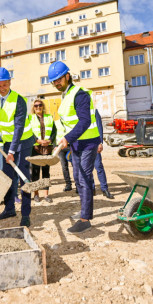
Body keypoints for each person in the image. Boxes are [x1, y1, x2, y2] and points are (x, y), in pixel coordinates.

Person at [48, 61, 101, 234]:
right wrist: (63, 140)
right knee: (78, 178)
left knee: (84, 178)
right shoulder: (66, 95)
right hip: (76, 143)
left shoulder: (80, 94)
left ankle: (85, 220)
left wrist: (68, 138)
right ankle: (84, 210)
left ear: (67, 76)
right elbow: (66, 123)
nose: (56, 83)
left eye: (59, 79)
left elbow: (85, 121)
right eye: (54, 81)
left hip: (88, 142)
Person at [0, 67, 35, 227]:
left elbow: (19, 127)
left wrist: (11, 151)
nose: (1, 89)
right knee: (7, 177)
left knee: (23, 178)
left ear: (9, 83)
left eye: (4, 85)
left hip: (23, 142)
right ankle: (9, 209)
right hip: (8, 142)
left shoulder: (19, 100)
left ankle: (26, 214)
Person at [29, 99, 56, 203]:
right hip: (35, 148)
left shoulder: (49, 117)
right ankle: (36, 194)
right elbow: (29, 132)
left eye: (40, 105)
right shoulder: (30, 118)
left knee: (46, 172)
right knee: (35, 172)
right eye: (36, 106)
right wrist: (37, 140)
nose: (38, 107)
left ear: (43, 106)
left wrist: (49, 140)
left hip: (47, 148)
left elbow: (54, 131)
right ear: (33, 108)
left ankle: (46, 195)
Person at [92, 109, 113, 199]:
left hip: (94, 143)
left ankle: (104, 189)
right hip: (83, 144)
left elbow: (99, 126)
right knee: (87, 169)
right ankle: (91, 189)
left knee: (98, 166)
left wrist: (99, 142)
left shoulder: (93, 111)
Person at [55, 120, 73, 192]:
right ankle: (68, 184)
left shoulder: (70, 121)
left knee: (75, 165)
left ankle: (78, 185)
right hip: (60, 147)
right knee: (64, 166)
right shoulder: (56, 122)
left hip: (70, 146)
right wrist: (55, 146)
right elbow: (53, 134)